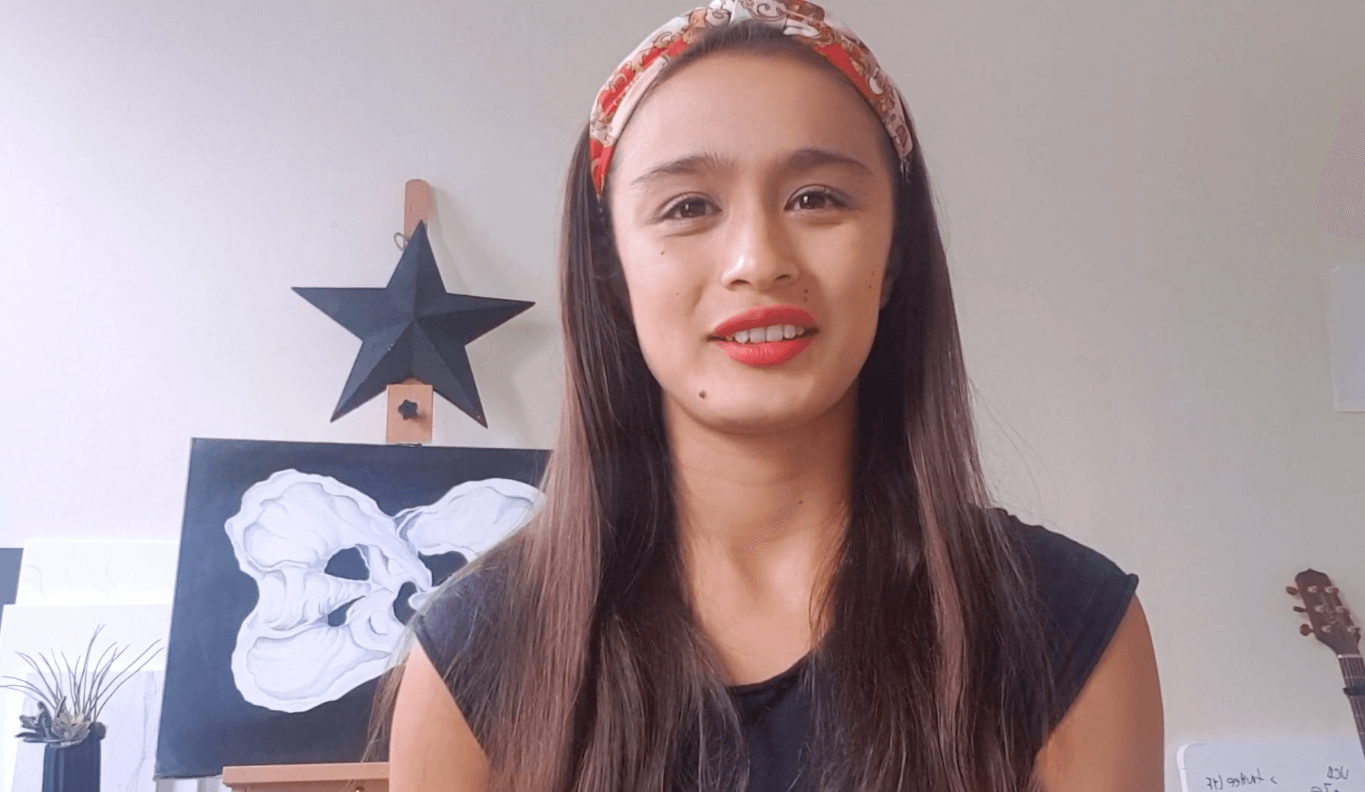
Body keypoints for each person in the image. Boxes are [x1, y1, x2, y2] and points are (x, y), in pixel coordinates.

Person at [383, 1, 1163, 790]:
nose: (758, 260)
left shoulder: (1064, 628)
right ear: (610, 273)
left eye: (817, 197)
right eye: (688, 207)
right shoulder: (473, 654)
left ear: (893, 254)